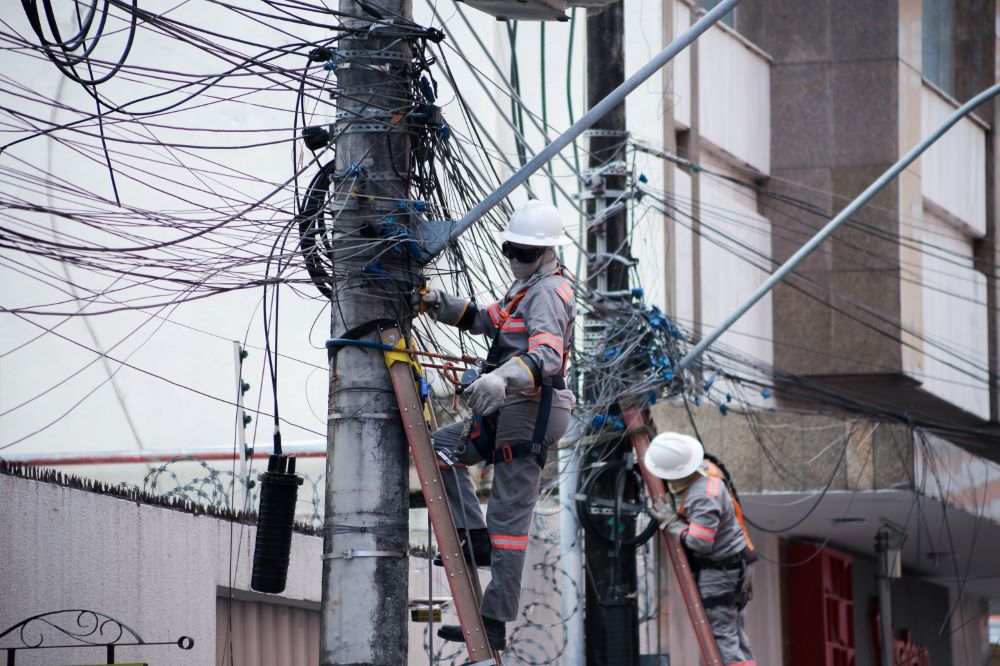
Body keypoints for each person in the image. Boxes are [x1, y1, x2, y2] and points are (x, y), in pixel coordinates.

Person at [418, 200, 576, 651]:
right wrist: (436, 304)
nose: (515, 257)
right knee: (439, 449)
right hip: (509, 404)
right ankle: (474, 536)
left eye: (524, 251)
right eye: (512, 249)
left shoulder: (547, 293)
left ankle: (493, 622)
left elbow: (547, 356)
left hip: (531, 406)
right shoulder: (527, 286)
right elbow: (487, 320)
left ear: (546, 252)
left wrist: (502, 377)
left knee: (507, 517)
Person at [646, 432, 757, 666]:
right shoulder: (708, 473)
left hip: (721, 571)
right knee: (736, 636)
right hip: (736, 566)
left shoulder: (701, 496)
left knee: (722, 637)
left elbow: (700, 543)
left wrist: (674, 524)